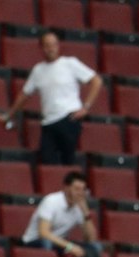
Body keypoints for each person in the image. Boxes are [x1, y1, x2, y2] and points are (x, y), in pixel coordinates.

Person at [7, 29, 100, 166]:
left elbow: (96, 81)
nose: (51, 49)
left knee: (68, 161)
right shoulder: (38, 70)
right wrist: (10, 115)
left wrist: (86, 107)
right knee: (47, 162)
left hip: (69, 118)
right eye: (47, 45)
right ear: (41, 47)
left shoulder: (70, 63)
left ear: (58, 45)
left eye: (53, 44)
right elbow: (24, 95)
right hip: (48, 122)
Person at [24, 170, 107, 257]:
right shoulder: (51, 201)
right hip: (35, 241)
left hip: (60, 243)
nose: (80, 193)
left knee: (96, 247)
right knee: (46, 243)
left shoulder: (79, 207)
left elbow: (91, 238)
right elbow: (43, 233)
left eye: (83, 190)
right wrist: (70, 246)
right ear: (67, 188)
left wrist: (86, 212)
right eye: (76, 189)